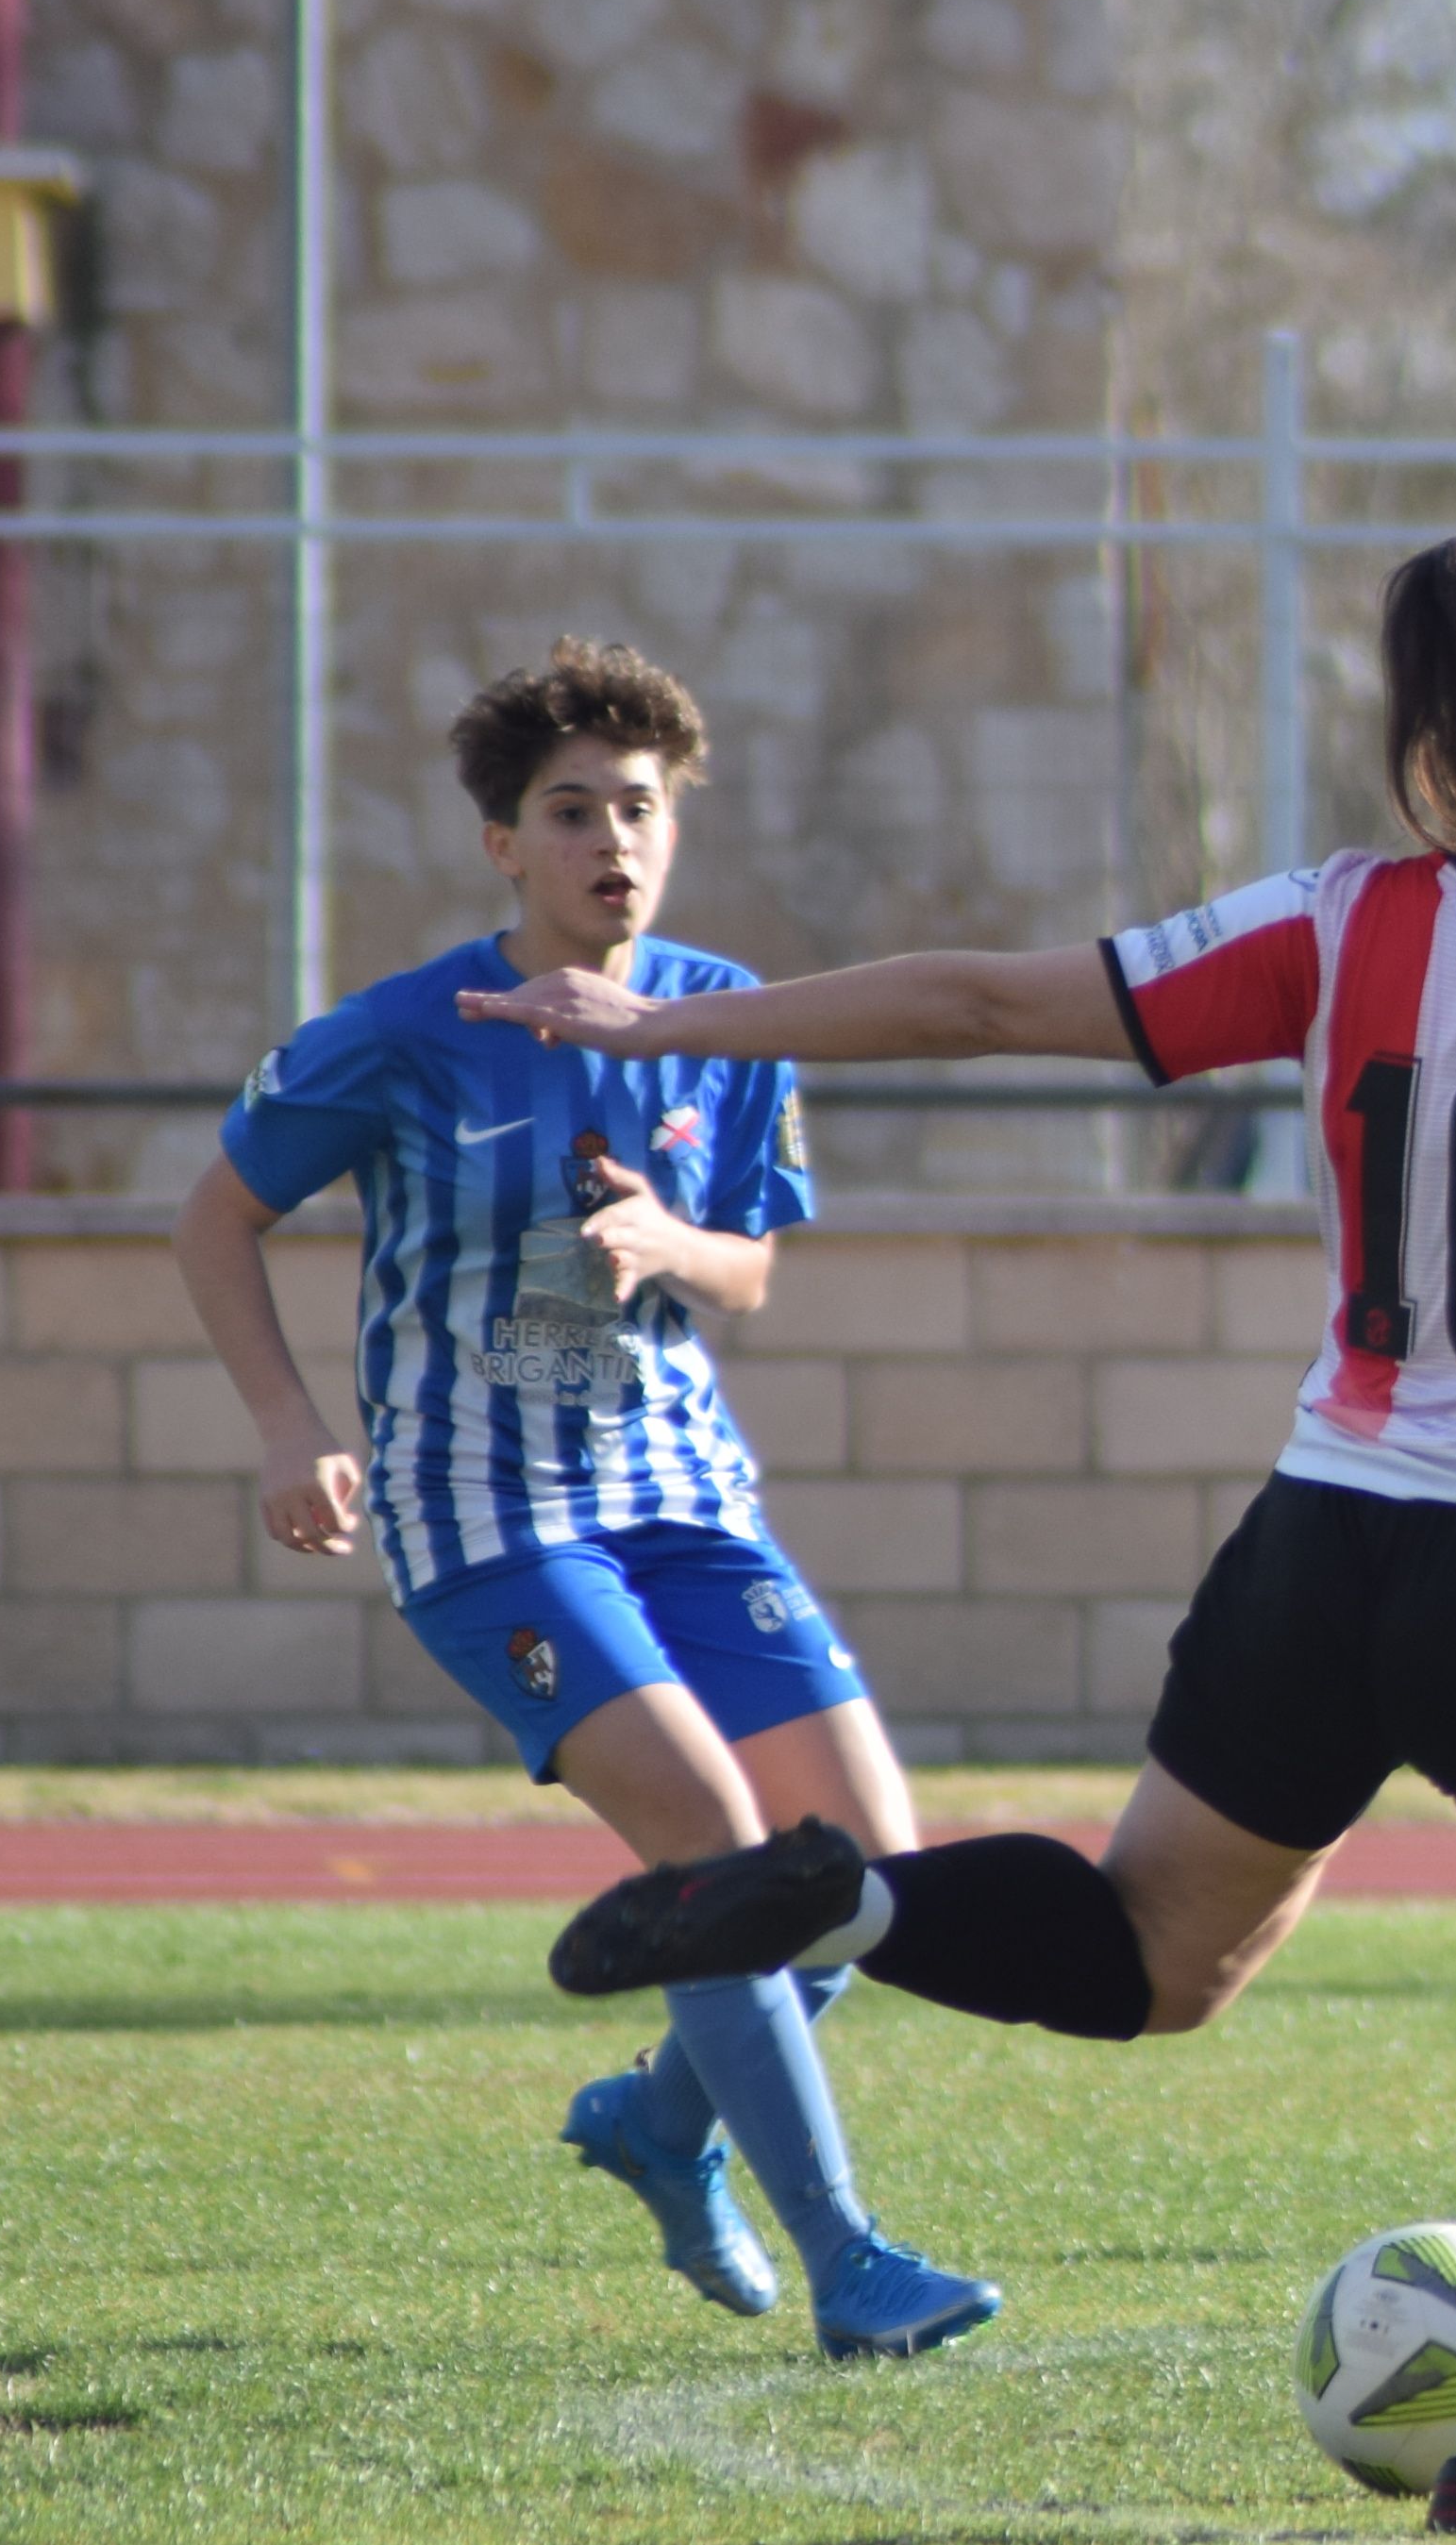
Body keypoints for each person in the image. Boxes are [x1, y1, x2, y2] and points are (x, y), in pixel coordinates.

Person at [465, 527, 1456, 2537]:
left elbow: (987, 1002)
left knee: (1160, 1948)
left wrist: (663, 1025)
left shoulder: (1339, 918)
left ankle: (837, 1905)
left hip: (1320, 1541)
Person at [171, 639, 998, 2364]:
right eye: (569, 812)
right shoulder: (403, 1036)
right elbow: (214, 1217)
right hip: (487, 1518)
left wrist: (663, 1242)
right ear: (503, 846)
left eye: (639, 807)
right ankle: (853, 2272)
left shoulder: (725, 1018)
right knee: (714, 1851)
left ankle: (658, 2124)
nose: (610, 839)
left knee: (866, 1878)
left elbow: (750, 1271)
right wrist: (282, 1427)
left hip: (684, 1497)